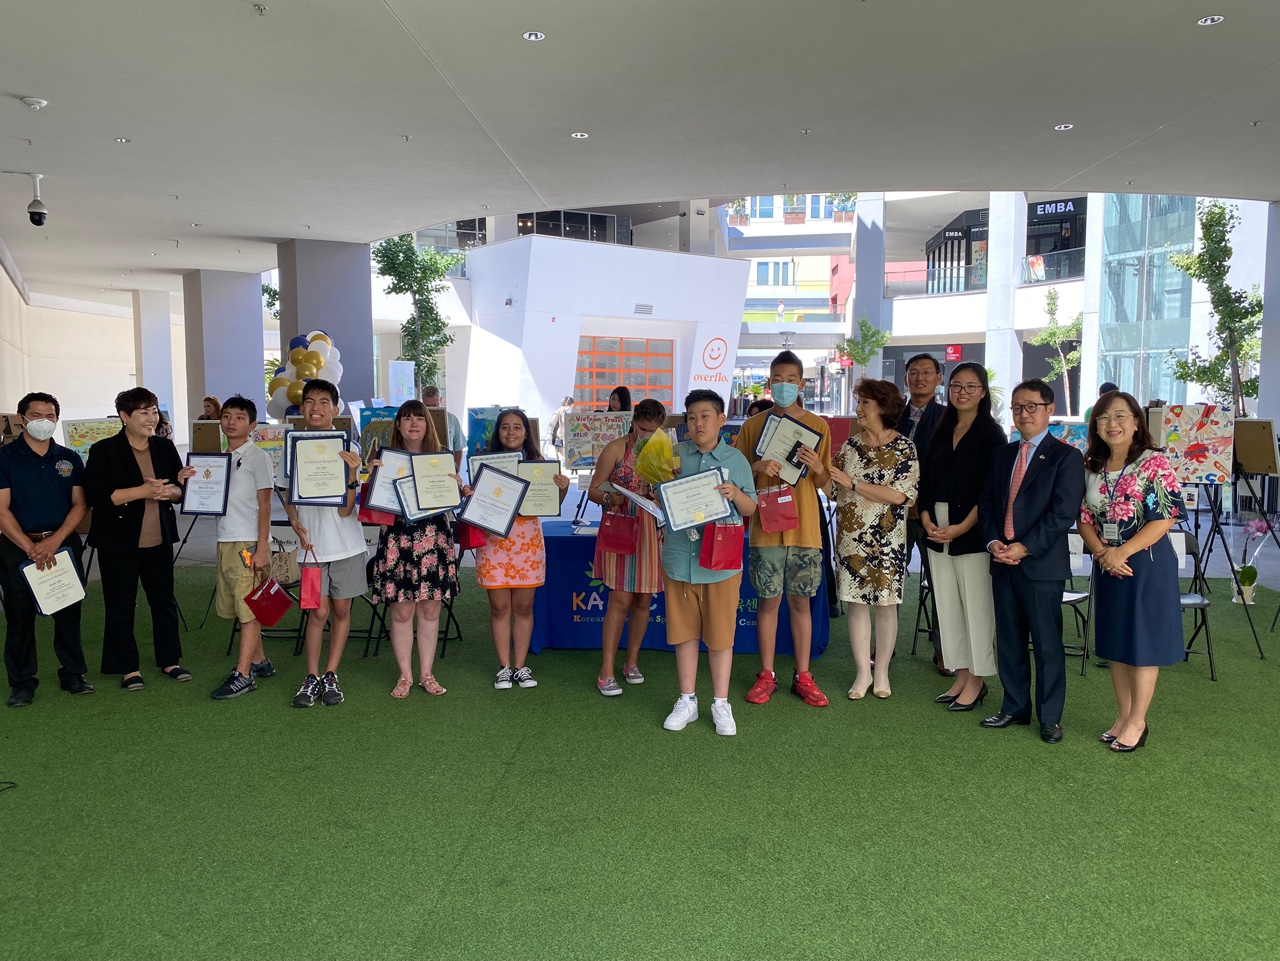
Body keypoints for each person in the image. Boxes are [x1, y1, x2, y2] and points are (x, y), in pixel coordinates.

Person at [978, 379, 1085, 743]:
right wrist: (993, 541)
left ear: (1049, 409)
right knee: (1009, 639)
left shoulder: (1066, 457)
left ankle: (1050, 717)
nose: (1023, 414)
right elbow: (987, 503)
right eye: (1017, 407)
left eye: (1031, 407)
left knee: (1046, 643)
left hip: (1040, 564)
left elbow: (1063, 513)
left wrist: (1024, 547)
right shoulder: (1001, 455)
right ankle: (1014, 707)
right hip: (1001, 560)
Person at [1078, 390, 1183, 753]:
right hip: (1107, 563)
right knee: (1117, 643)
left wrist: (1121, 551)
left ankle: (1138, 721)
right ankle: (1123, 716)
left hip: (1146, 564)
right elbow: (1083, 518)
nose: (1112, 424)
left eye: (1121, 416)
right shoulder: (1092, 466)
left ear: (1136, 422)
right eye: (1104, 417)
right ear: (1096, 426)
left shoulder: (1154, 462)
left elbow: (1166, 517)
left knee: (1143, 643)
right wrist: (1102, 553)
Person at [736, 350, 832, 707]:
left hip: (805, 529)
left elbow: (827, 484)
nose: (784, 385)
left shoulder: (818, 426)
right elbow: (736, 478)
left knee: (801, 603)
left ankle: (803, 675)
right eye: (777, 379)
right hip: (766, 528)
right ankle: (766, 674)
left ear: (802, 384)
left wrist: (817, 465)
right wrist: (757, 466)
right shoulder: (752, 426)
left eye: (791, 380)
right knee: (768, 602)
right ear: (769, 383)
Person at [84, 387, 196, 690]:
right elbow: (98, 496)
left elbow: (179, 490)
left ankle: (170, 660)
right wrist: (143, 491)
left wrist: (170, 491)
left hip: (159, 539)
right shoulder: (104, 450)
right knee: (121, 604)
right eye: (143, 412)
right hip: (117, 542)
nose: (151, 418)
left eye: (154, 411)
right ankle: (127, 667)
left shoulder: (163, 447)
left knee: (163, 601)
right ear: (124, 416)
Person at [660, 389, 757, 737]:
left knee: (720, 637)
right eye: (691, 417)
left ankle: (720, 702)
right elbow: (657, 496)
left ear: (721, 420)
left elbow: (751, 507)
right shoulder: (673, 456)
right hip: (679, 558)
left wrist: (735, 493)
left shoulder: (736, 460)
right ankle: (687, 700)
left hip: (720, 562)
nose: (698, 423)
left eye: (705, 416)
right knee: (684, 634)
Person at [918, 363, 1006, 711]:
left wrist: (963, 527)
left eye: (971, 386)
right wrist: (926, 517)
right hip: (936, 527)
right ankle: (961, 674)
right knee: (948, 605)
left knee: (976, 607)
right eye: (956, 385)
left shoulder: (992, 435)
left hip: (971, 531)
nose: (963, 392)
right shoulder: (941, 429)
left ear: (983, 392)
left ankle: (978, 680)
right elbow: (925, 480)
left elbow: (991, 491)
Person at [0, 392, 94, 706]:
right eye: (36, 415)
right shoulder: (5, 457)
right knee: (19, 616)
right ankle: (22, 683)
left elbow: (79, 504)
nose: (44, 421)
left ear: (57, 419)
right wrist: (31, 548)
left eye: (50, 416)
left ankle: (73, 674)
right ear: (22, 419)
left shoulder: (69, 458)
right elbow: (1, 510)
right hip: (17, 547)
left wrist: (54, 541)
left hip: (62, 545)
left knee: (68, 612)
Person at [829, 379, 919, 699]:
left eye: (864, 403)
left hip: (888, 542)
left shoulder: (905, 448)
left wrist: (853, 482)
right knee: (855, 605)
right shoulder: (850, 446)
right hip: (851, 538)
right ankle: (862, 673)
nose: (858, 409)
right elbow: (832, 488)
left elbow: (899, 495)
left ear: (883, 406)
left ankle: (881, 673)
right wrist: (817, 470)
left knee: (886, 605)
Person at [283, 379, 367, 708]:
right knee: (316, 612)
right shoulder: (292, 446)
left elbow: (346, 510)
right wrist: (294, 522)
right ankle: (311, 676)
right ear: (301, 407)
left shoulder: (349, 448)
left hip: (347, 546)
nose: (315, 408)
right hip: (311, 549)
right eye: (309, 401)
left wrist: (351, 477)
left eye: (323, 402)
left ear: (335, 408)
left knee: (342, 609)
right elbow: (289, 494)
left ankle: (331, 673)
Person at [473, 408, 569, 690]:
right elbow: (477, 501)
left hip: (527, 542)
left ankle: (520, 666)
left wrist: (562, 489)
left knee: (524, 607)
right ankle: (504, 668)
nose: (511, 432)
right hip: (494, 541)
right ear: (498, 432)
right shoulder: (485, 463)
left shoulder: (539, 464)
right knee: (500, 608)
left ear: (527, 433)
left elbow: (551, 504)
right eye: (505, 427)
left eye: (517, 427)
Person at [370, 400, 461, 698]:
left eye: (419, 418)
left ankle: (426, 674)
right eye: (407, 418)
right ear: (398, 425)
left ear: (427, 424)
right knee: (401, 610)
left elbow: (453, 501)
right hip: (397, 539)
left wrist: (457, 488)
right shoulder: (385, 460)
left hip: (433, 539)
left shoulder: (442, 458)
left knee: (430, 609)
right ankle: (405, 676)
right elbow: (374, 503)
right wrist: (373, 478)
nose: (413, 423)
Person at [587, 399, 666, 695]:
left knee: (644, 600)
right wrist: (610, 498)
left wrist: (661, 496)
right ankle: (606, 670)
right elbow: (594, 489)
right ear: (633, 422)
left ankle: (631, 662)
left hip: (652, 529)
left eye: (653, 431)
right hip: (621, 526)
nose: (647, 435)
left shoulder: (664, 450)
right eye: (643, 429)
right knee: (619, 600)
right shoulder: (616, 448)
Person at [210, 396, 277, 700]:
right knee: (242, 606)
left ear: (252, 425)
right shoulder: (218, 460)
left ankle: (244, 674)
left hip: (248, 542)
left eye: (239, 417)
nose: (231, 422)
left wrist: (261, 547)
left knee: (248, 608)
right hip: (225, 539)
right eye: (226, 416)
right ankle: (259, 660)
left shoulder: (256, 457)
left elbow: (265, 505)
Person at [897, 352, 949, 675]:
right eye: (914, 372)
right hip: (894, 512)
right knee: (889, 580)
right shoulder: (892, 416)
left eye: (927, 372)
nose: (920, 378)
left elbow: (947, 468)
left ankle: (946, 651)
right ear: (906, 379)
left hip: (933, 514)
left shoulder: (948, 417)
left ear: (938, 379)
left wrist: (922, 502)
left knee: (940, 583)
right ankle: (883, 647)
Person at [422, 385, 466, 472]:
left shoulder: (452, 419)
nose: (432, 409)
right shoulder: (417, 420)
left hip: (446, 464)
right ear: (422, 402)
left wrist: (457, 471)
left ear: (441, 400)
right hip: (423, 463)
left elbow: (459, 447)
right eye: (427, 406)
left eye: (435, 405)